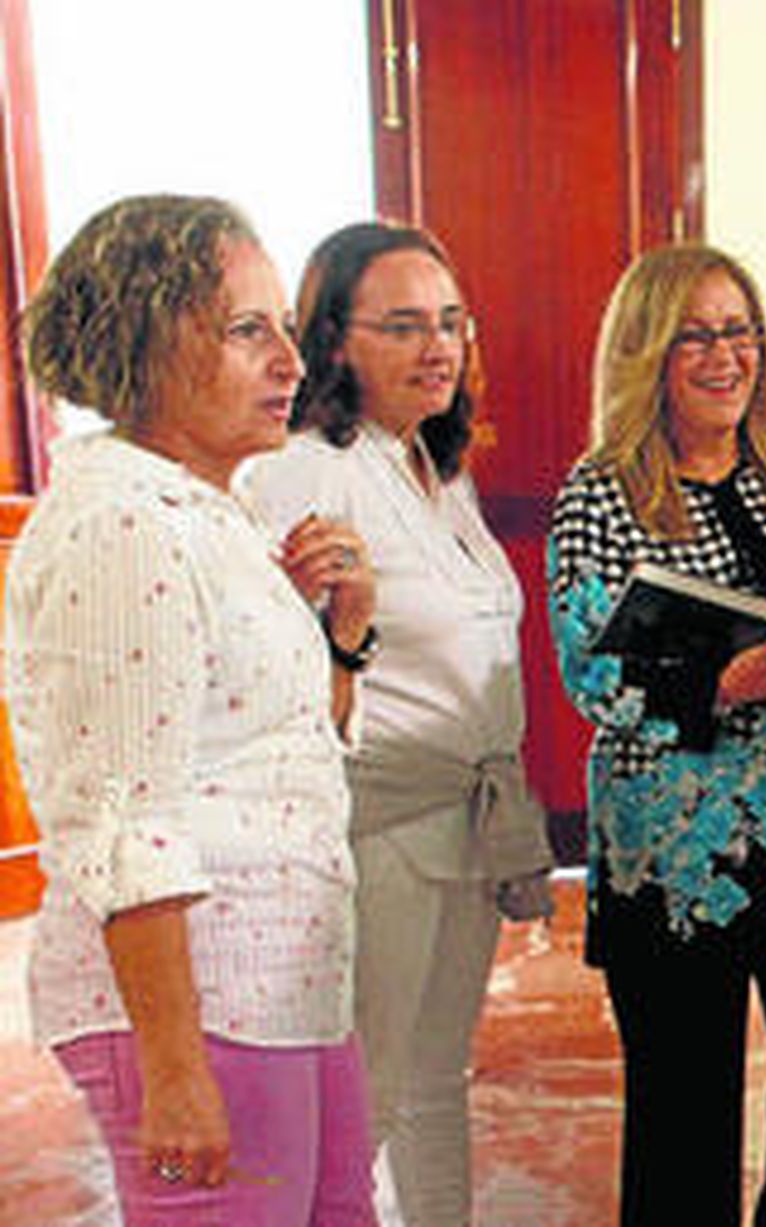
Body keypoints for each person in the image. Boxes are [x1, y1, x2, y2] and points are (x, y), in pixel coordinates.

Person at [3, 195, 378, 1224]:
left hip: (284, 984)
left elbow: (274, 756)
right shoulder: (123, 527)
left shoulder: (211, 514)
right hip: (202, 1005)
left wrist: (342, 634)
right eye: (246, 329)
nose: (291, 364)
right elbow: (127, 822)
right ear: (146, 338)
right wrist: (172, 1072)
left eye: (285, 332)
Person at [547, 244, 766, 1227]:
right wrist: (713, 684)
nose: (723, 355)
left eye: (738, 331)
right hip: (676, 856)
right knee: (684, 1112)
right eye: (694, 334)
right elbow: (589, 670)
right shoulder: (602, 490)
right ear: (647, 351)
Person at [243, 221, 554, 1227]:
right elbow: (269, 656)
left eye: (452, 324)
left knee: (436, 1077)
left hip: (463, 813)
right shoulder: (307, 468)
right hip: (379, 819)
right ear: (333, 340)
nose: (438, 348)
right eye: (405, 325)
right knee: (366, 1093)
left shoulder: (434, 463)